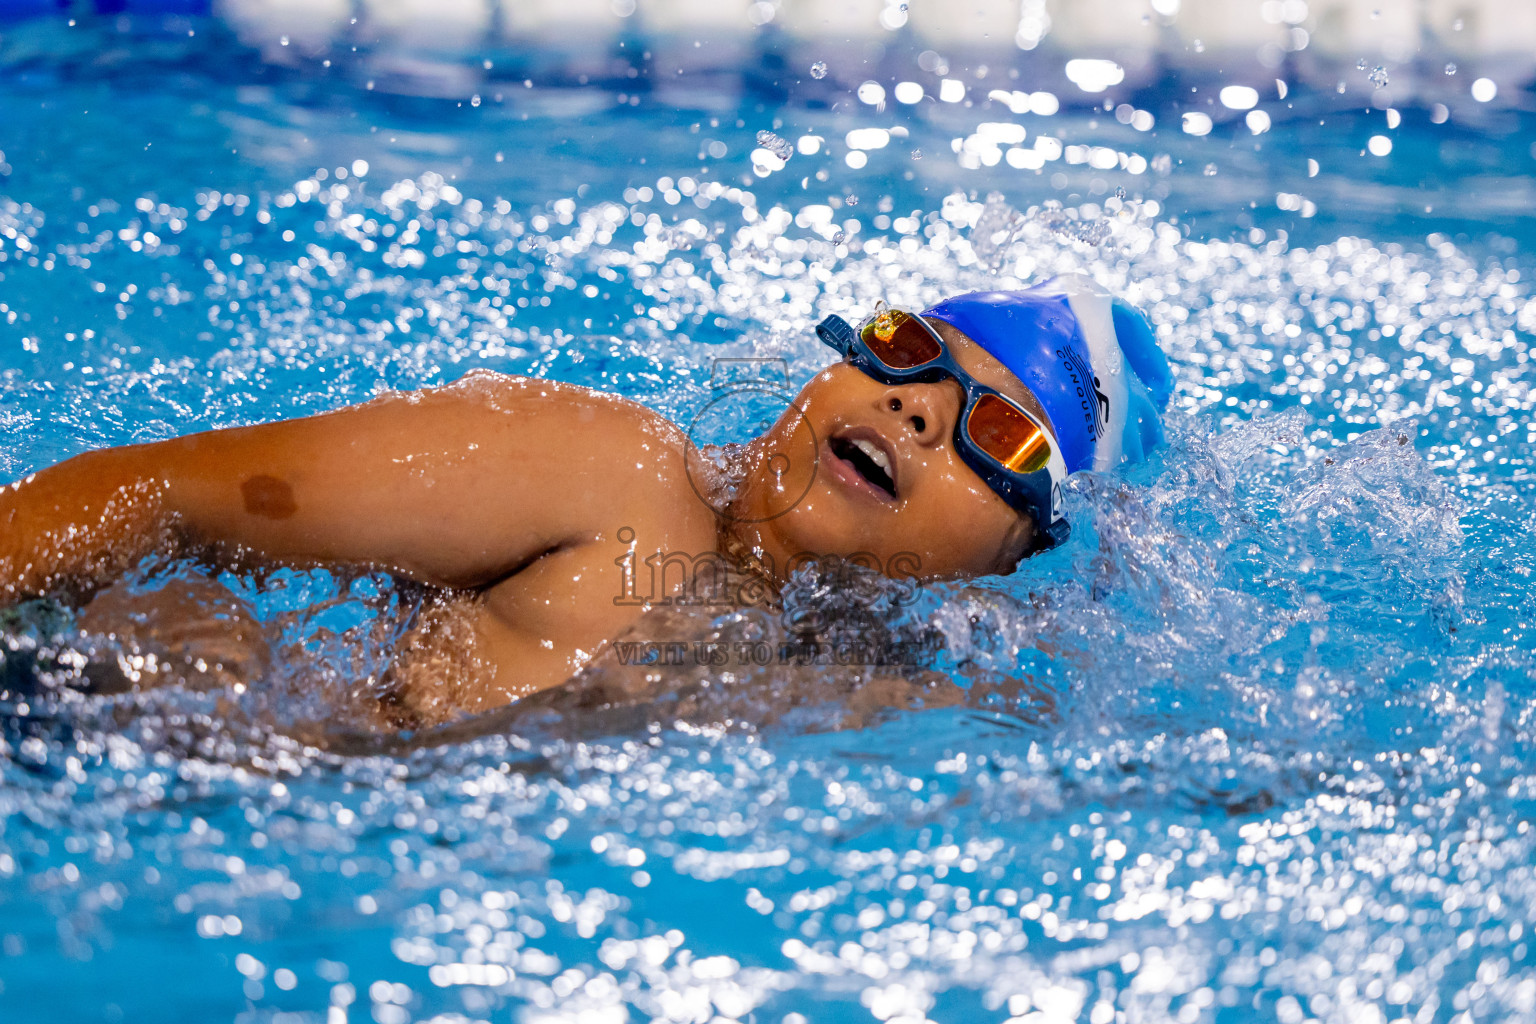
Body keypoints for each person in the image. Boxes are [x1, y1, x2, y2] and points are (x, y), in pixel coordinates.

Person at [0, 273, 1172, 726]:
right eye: (907, 348)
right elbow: (152, 492)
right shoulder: (611, 477)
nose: (919, 406)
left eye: (1001, 429)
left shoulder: (902, 689)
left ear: (1023, 548)